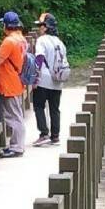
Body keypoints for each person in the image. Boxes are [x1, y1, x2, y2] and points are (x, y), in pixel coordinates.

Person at [0, 11, 29, 156]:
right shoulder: (20, 39)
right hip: (15, 81)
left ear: (6, 25)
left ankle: (17, 147)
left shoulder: (9, 41)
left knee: (14, 116)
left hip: (9, 83)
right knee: (16, 114)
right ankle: (16, 145)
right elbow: (9, 55)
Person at [31, 12, 70, 147]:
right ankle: (55, 136)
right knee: (54, 108)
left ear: (46, 27)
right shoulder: (60, 43)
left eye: (41, 25)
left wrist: (35, 77)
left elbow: (39, 57)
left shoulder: (42, 40)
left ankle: (43, 133)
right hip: (57, 80)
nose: (39, 28)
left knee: (38, 106)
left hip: (43, 79)